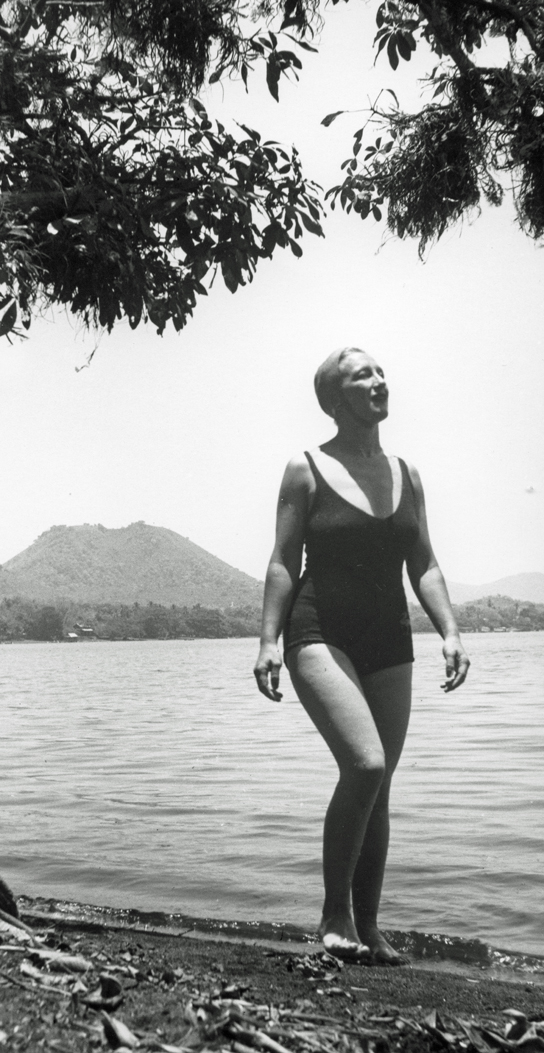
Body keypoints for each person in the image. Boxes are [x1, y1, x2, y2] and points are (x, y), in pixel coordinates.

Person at [253, 347, 469, 966]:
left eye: (379, 372)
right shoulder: (306, 467)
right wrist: (268, 640)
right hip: (319, 630)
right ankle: (333, 915)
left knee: (381, 786)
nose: (377, 382)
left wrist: (449, 631)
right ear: (334, 399)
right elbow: (281, 559)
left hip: (389, 636)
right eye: (360, 377)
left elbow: (423, 562)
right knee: (367, 765)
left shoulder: (407, 472)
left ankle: (369, 930)